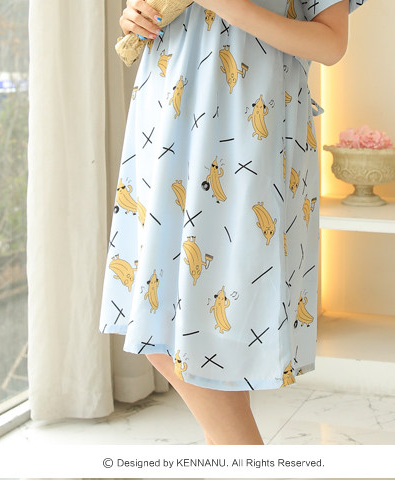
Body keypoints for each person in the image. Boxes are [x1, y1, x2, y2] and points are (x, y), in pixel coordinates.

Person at [101, 0, 365, 445]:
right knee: (172, 323)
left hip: (247, 128)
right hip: (167, 116)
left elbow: (331, 43)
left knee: (204, 325)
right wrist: (135, 14)